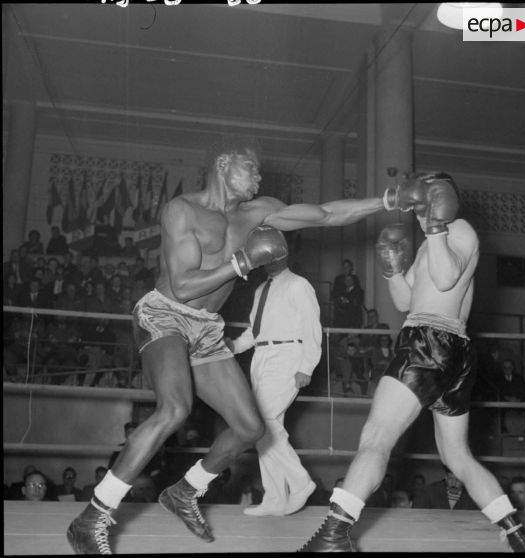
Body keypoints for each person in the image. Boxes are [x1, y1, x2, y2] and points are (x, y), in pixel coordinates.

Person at [66, 135, 386, 554]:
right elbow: (180, 287)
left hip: (207, 329)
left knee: (251, 427)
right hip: (165, 314)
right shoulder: (181, 210)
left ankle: (185, 491)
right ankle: (92, 517)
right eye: (250, 168)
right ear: (223, 164)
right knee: (175, 408)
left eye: (258, 172)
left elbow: (326, 215)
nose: (257, 178)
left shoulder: (259, 213)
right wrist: (243, 262)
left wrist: (389, 200)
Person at [299, 171, 525, 552]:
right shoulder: (434, 241)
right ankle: (516, 534)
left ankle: (334, 536)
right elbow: (405, 301)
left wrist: (438, 225)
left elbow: (445, 281)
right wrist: (391, 267)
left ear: (440, 200)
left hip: (428, 343)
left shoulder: (459, 231)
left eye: (422, 201)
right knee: (457, 455)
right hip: (453, 353)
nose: (414, 210)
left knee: (376, 438)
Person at [228, 254, 322, 516]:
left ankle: (301, 483)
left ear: (284, 254)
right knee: (264, 430)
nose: (268, 260)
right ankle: (275, 498)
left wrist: (307, 366)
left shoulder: (299, 285)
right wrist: (233, 346)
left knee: (264, 423)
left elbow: (311, 326)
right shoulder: (261, 289)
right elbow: (255, 332)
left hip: (288, 356)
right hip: (261, 358)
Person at [497, 359, 525, 434]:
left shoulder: (519, 378)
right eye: (505, 368)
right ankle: (502, 428)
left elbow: (524, 391)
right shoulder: (499, 379)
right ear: (502, 369)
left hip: (518, 401)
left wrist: (519, 399)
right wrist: (507, 398)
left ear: (512, 368)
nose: (507, 370)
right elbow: (498, 393)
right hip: (505, 402)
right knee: (498, 408)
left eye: (509, 367)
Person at [412, 466, 477, 510]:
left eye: (457, 480)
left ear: (464, 479)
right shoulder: (432, 491)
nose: (453, 483)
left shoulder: (472, 496)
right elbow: (417, 511)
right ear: (445, 477)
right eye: (450, 479)